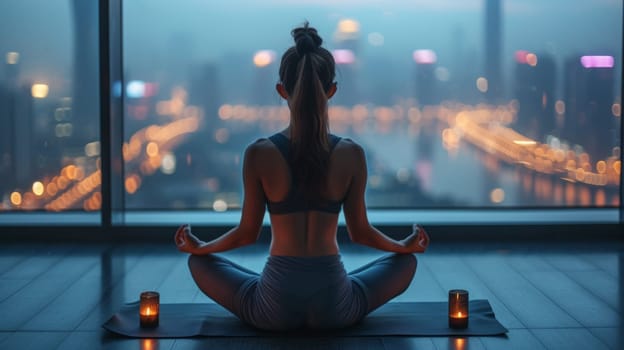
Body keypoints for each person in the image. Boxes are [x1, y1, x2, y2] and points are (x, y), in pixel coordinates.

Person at [174, 22, 430, 331]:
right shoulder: (352, 154)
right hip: (335, 307)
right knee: (406, 264)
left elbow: (246, 234)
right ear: (332, 90)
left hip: (273, 309)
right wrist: (404, 246)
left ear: (281, 90)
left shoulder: (259, 154)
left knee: (198, 263)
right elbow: (361, 233)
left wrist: (200, 247)